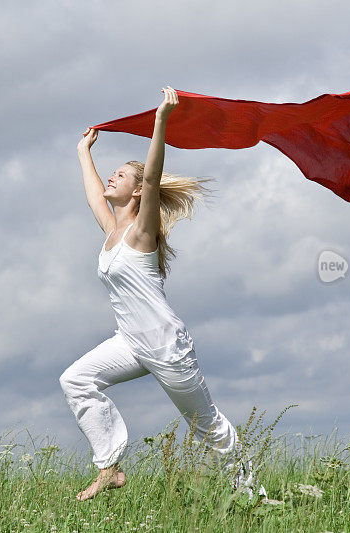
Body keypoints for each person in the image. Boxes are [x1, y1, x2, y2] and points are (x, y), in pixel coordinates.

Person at [60, 86, 257, 502]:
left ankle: (250, 494)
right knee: (76, 380)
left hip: (166, 345)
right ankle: (109, 467)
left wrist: (161, 122)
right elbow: (94, 195)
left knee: (207, 427)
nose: (112, 177)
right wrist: (84, 153)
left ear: (136, 193)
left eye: (121, 175)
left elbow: (151, 178)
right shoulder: (111, 232)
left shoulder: (142, 232)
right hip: (131, 343)